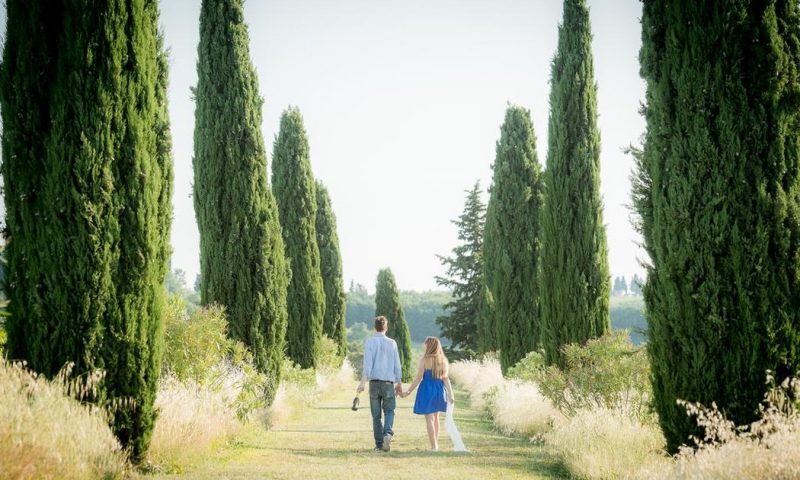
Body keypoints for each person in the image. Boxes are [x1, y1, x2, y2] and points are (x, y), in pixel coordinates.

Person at [357, 316, 403, 452]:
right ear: (386, 327)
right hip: (388, 383)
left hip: (374, 384)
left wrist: (362, 383)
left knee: (376, 416)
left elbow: (367, 365)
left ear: (374, 327)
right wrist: (399, 382)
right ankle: (387, 434)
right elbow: (397, 365)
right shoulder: (392, 343)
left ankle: (379, 445)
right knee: (389, 411)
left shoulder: (370, 342)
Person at [402, 337, 454, 452]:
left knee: (429, 418)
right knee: (436, 417)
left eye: (425, 343)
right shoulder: (443, 360)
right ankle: (435, 445)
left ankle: (434, 446)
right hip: (439, 390)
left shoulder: (424, 360)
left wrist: (408, 391)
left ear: (429, 345)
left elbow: (418, 378)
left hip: (427, 389)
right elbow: (446, 379)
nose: (423, 345)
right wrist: (451, 394)